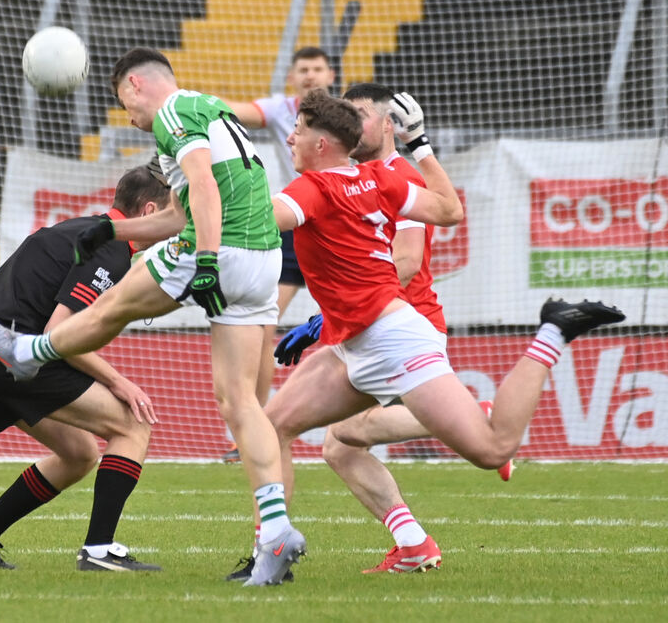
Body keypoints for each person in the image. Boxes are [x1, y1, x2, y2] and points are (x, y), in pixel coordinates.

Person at [0, 47, 306, 586]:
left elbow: (203, 187)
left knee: (112, 307)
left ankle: (28, 351)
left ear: (135, 86)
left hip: (221, 249)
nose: (128, 118)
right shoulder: (212, 110)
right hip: (264, 258)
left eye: (123, 105)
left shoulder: (172, 112)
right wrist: (113, 232)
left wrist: (210, 258)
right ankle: (275, 532)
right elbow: (176, 214)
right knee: (243, 404)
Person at [261, 89, 624, 573]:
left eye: (363, 114)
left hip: (397, 334)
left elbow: (404, 259)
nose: (291, 136)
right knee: (285, 429)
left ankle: (551, 334)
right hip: (360, 335)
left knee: (490, 447)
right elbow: (450, 211)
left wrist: (199, 195)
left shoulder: (366, 178)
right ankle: (283, 551)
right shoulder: (371, 177)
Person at [0, 163, 170, 572]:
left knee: (79, 453)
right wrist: (121, 383)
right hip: (9, 352)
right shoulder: (112, 250)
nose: (177, 224)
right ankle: (99, 550)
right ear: (149, 211)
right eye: (172, 214)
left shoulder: (82, 229)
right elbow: (59, 333)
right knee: (133, 424)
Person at [221, 47, 336, 463]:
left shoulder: (345, 116)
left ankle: (383, 414)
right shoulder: (279, 109)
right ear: (292, 77)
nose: (310, 75)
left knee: (359, 321)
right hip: (295, 223)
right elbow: (233, 110)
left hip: (338, 223)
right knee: (263, 323)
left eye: (317, 68)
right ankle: (255, 424)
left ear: (331, 73)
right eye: (303, 69)